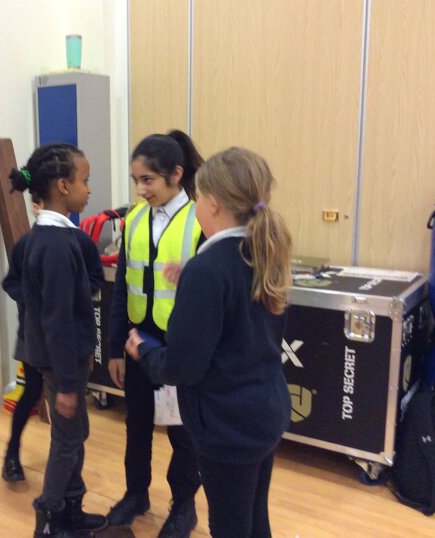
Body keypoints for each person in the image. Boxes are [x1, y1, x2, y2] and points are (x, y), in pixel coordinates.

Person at [125, 147, 293, 537]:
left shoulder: (208, 270)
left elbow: (182, 367)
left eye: (197, 196)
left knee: (231, 526)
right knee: (254, 519)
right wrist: (194, 276)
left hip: (227, 424)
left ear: (212, 204)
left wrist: (144, 350)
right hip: (264, 411)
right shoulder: (262, 253)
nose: (195, 203)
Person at [107, 130, 204, 537]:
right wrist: (115, 348)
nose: (140, 189)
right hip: (136, 343)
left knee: (184, 434)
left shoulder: (200, 220)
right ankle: (136, 494)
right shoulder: (133, 219)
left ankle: (183, 506)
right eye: (136, 180)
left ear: (176, 174)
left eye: (147, 180)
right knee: (138, 425)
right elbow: (120, 288)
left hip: (179, 347)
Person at [9, 143, 107, 537]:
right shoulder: (54, 246)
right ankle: (49, 516)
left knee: (75, 434)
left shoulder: (55, 238)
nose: (89, 189)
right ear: (63, 186)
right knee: (67, 439)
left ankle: (72, 508)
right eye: (85, 180)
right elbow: (58, 320)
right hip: (59, 363)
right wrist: (66, 383)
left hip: (62, 360)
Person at [1, 197, 104, 483]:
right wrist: (37, 298)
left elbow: (95, 277)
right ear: (35, 206)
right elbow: (11, 282)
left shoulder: (80, 242)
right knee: (32, 391)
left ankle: (68, 474)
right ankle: (12, 452)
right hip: (34, 335)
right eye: (36, 202)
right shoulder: (27, 243)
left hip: (67, 336)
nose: (40, 206)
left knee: (71, 408)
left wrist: (72, 294)